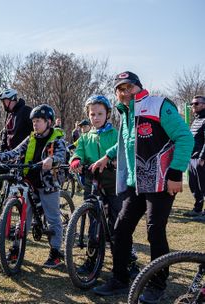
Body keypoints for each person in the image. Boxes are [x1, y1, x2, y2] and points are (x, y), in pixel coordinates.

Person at [92, 71, 193, 302]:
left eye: (129, 87)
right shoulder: (125, 113)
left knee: (154, 231)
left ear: (139, 86)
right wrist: (107, 156)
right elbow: (128, 144)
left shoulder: (157, 105)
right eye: (120, 89)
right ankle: (120, 279)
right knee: (121, 229)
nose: (125, 92)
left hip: (161, 181)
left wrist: (176, 172)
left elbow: (184, 137)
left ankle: (157, 285)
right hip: (135, 183)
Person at [0, 104, 67, 268]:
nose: (35, 124)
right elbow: (15, 152)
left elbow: (61, 155)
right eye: (33, 121)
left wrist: (51, 160)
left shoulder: (57, 139)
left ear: (49, 122)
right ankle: (16, 248)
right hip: (29, 183)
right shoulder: (31, 138)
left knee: (53, 219)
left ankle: (56, 253)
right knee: (23, 220)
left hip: (47, 184)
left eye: (39, 121)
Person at [69, 95, 139, 276]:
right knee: (94, 224)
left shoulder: (116, 134)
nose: (96, 117)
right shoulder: (85, 137)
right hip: (92, 183)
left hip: (113, 184)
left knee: (118, 224)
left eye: (100, 113)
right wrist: (76, 160)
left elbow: (124, 152)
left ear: (107, 114)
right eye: (92, 114)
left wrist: (114, 162)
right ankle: (92, 259)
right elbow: (78, 152)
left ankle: (127, 261)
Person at [184, 95, 205, 220]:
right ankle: (197, 209)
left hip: (201, 160)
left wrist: (202, 158)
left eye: (196, 103)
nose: (193, 106)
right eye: (192, 104)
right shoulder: (196, 120)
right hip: (192, 158)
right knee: (194, 185)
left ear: (204, 105)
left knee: (203, 186)